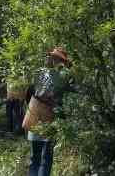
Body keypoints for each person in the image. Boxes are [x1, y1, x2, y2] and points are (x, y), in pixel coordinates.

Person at [26, 47, 71, 176]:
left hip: (35, 115)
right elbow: (61, 98)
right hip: (50, 118)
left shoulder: (40, 73)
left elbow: (30, 93)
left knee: (35, 158)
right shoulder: (62, 76)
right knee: (46, 158)